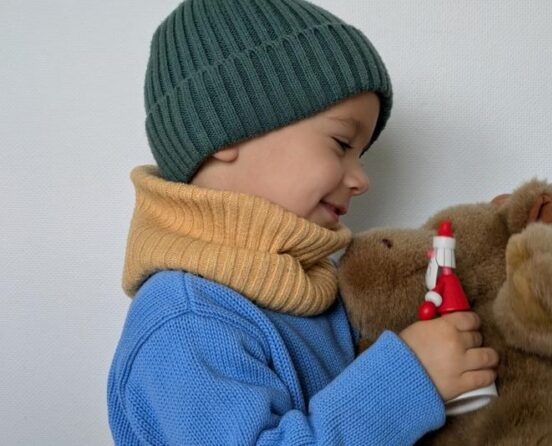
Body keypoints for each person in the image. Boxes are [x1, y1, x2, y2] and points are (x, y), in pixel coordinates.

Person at [107, 0, 499, 444]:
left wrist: (492, 241)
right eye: (341, 143)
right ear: (228, 129)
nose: (362, 180)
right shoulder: (184, 323)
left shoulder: (312, 286)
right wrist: (406, 380)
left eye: (362, 154)